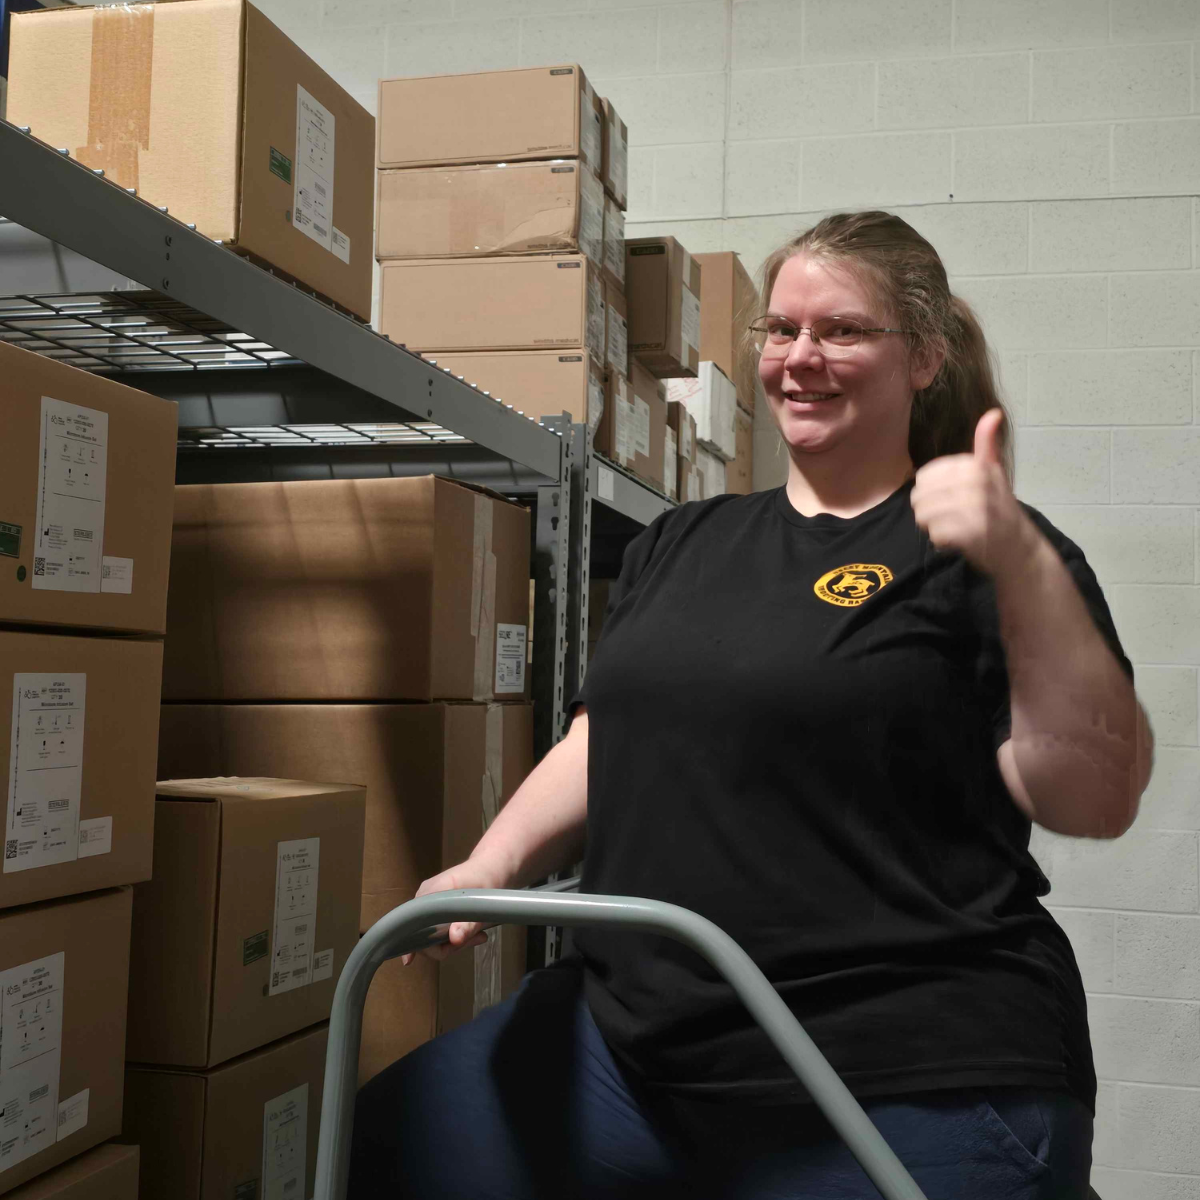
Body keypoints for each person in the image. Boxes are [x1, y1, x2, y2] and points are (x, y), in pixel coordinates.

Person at [349, 210, 1154, 1200]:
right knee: (388, 1142)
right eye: (782, 329)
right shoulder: (682, 542)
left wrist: (1023, 568)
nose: (801, 357)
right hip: (637, 1048)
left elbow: (1096, 796)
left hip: (901, 1065)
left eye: (843, 331)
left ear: (925, 358)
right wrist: (491, 864)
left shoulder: (992, 550)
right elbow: (609, 737)